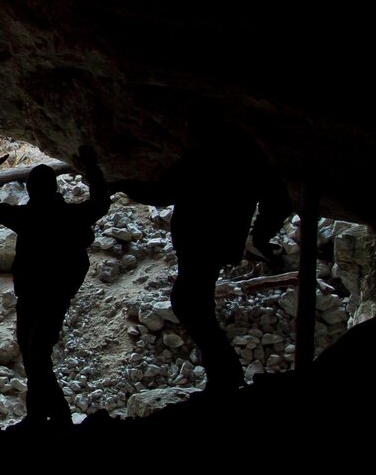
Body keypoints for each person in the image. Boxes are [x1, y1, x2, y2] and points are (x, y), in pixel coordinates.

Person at [110, 108, 291, 393]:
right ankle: (223, 376)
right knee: (196, 303)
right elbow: (279, 200)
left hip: (201, 242)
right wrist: (261, 237)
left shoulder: (204, 157)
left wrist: (121, 184)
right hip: (219, 242)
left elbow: (161, 193)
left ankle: (226, 376)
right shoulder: (249, 156)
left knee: (188, 303)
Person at [0, 148, 110, 424]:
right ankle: (39, 415)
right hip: (56, 294)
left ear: (31, 189)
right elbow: (100, 204)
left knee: (34, 353)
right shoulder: (70, 215)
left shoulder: (28, 216)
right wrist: (92, 168)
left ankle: (56, 416)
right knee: (33, 352)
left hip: (33, 294)